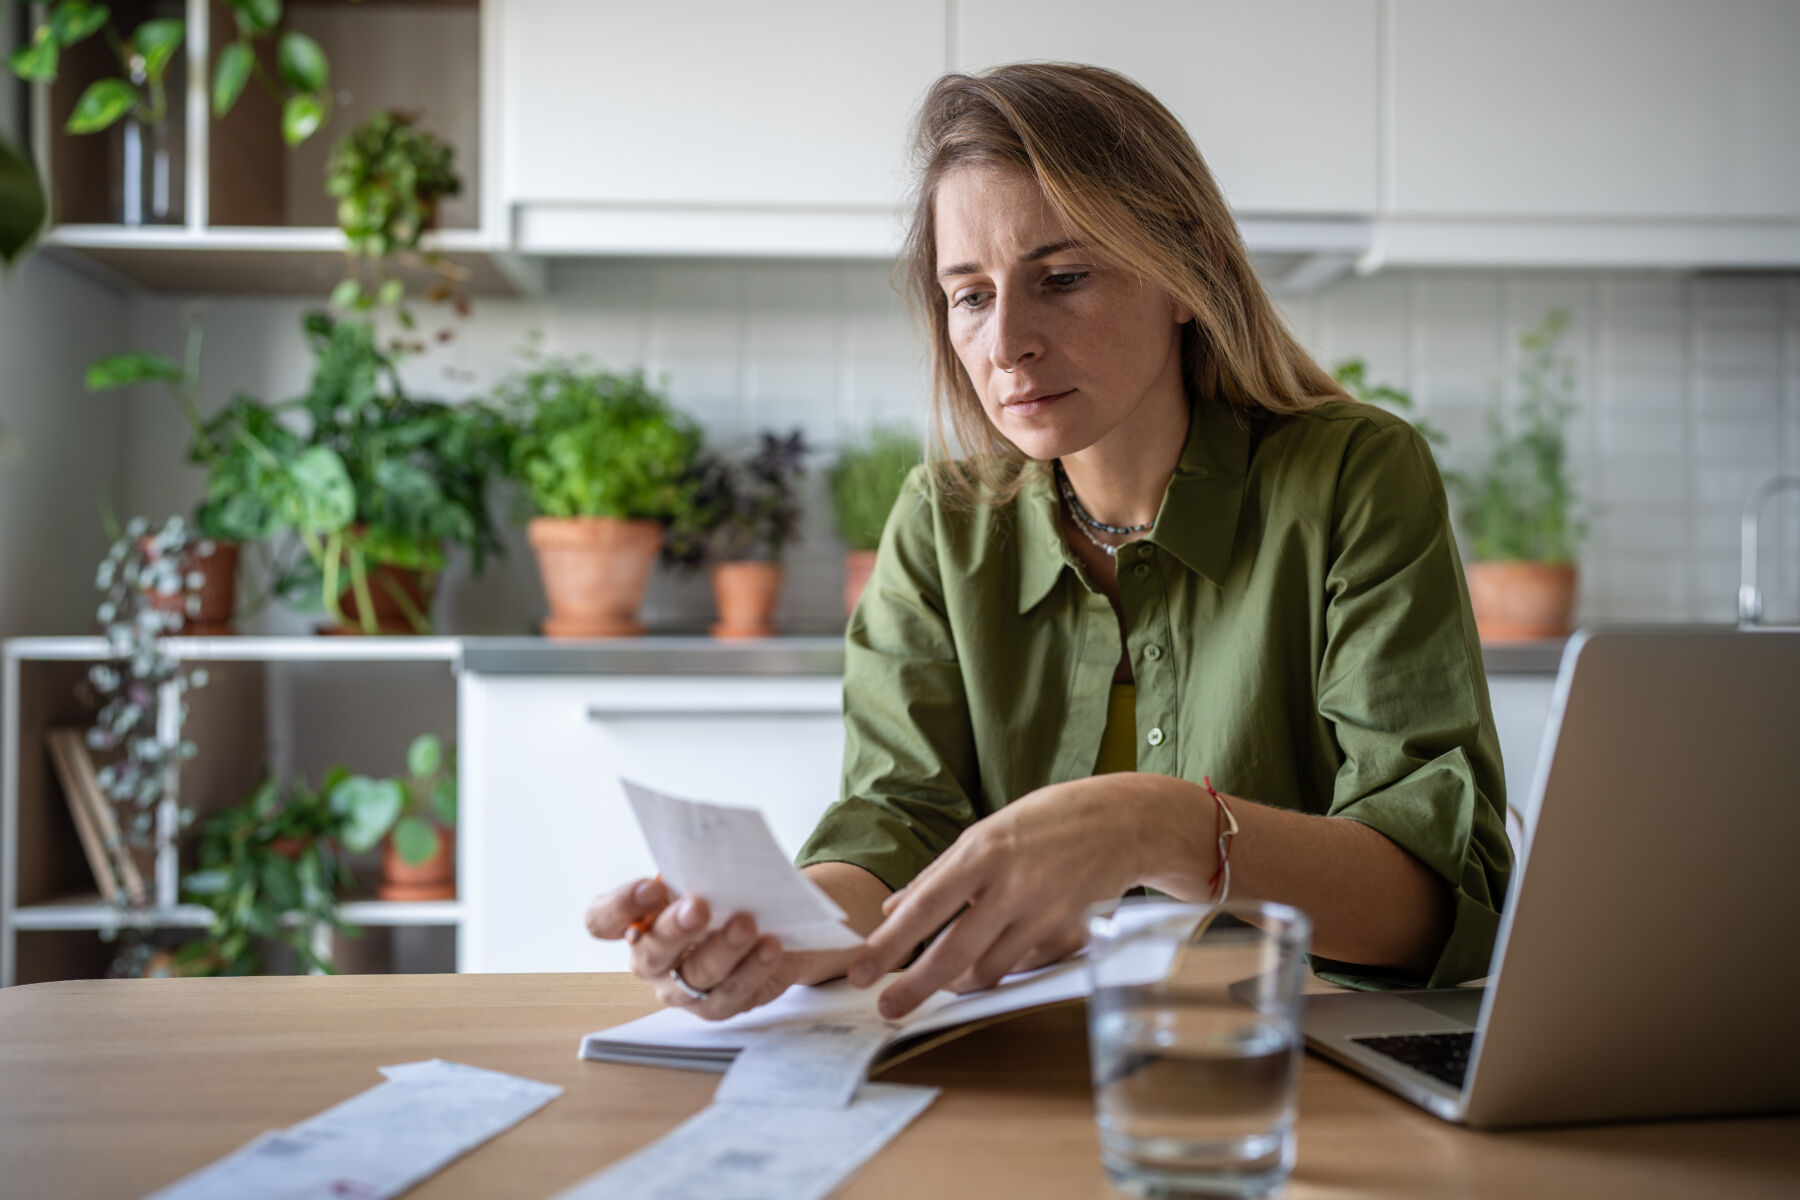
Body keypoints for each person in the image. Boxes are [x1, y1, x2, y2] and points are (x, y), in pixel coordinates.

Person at [585, 63, 1512, 1023]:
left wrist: (1155, 825)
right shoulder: (940, 524)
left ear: (1185, 274)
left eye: (1062, 278)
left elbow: (1437, 903)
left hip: (1283, 1071)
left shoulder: (1356, 476)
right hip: (1022, 1076)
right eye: (970, 296)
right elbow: (898, 824)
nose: (1007, 344)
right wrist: (776, 930)